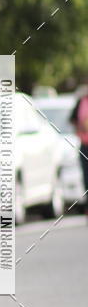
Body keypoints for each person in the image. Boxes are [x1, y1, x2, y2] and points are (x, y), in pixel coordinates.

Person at [69, 86, 88, 216]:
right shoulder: (82, 101)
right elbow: (72, 119)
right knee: (87, 178)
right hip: (85, 146)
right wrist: (80, 130)